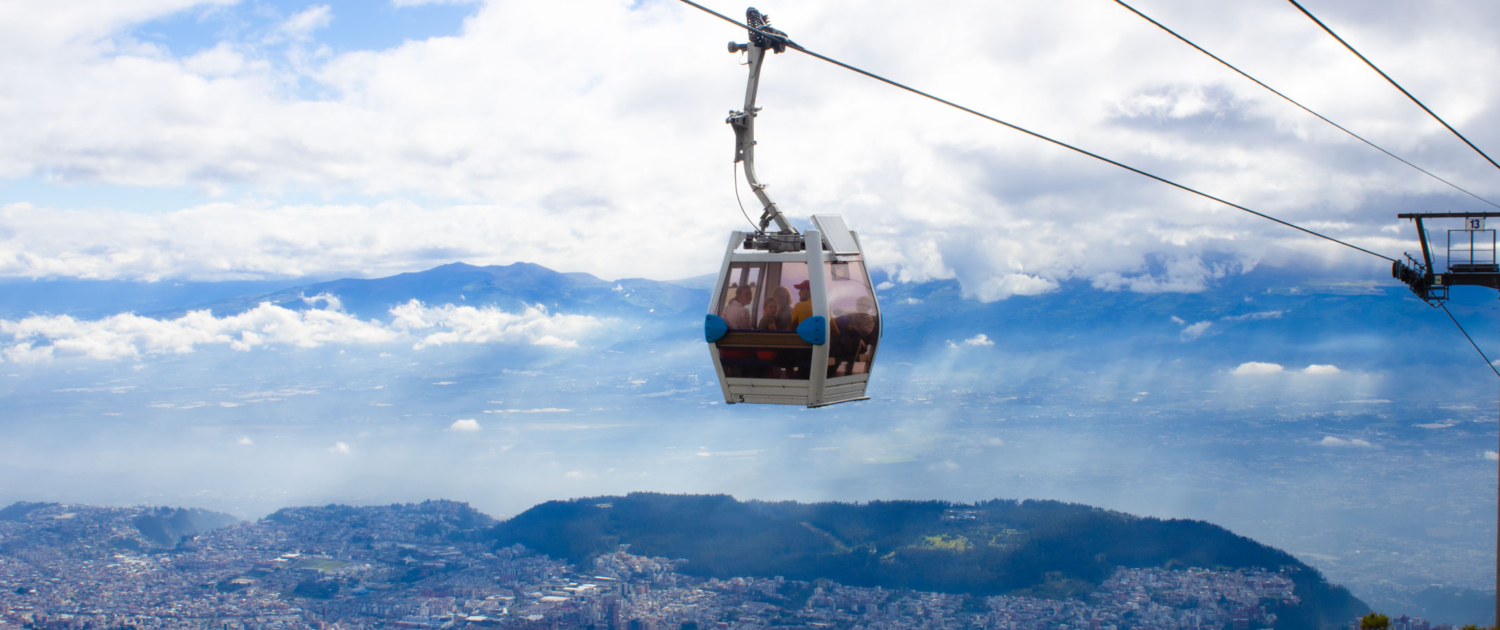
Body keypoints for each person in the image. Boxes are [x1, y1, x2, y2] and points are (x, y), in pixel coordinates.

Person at [831, 296, 877, 376]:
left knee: (857, 341)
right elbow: (838, 312)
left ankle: (849, 367)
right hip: (847, 340)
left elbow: (864, 336)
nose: (861, 307)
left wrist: (852, 329)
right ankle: (831, 368)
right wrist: (839, 312)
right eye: (859, 305)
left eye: (863, 305)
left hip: (861, 343)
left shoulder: (869, 320)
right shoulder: (854, 315)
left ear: (868, 307)